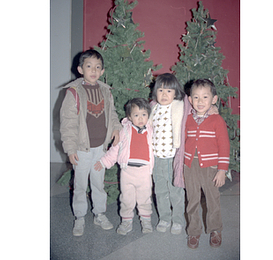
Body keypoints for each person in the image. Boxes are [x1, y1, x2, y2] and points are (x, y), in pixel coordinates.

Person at [60, 49, 122, 236]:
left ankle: (99, 213)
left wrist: (116, 128)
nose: (93, 70)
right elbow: (68, 123)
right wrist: (70, 148)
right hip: (82, 149)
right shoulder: (74, 92)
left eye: (97, 67)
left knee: (98, 183)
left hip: (100, 149)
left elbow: (112, 114)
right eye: (89, 66)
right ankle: (79, 216)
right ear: (80, 69)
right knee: (80, 184)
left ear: (102, 71)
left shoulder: (106, 91)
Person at [94, 98, 154, 235]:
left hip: (144, 171)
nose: (140, 118)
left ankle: (146, 220)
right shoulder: (124, 131)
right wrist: (104, 161)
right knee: (127, 198)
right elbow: (115, 149)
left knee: (145, 198)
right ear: (129, 116)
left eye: (144, 114)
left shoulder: (151, 130)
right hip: (128, 171)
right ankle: (126, 221)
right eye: (136, 115)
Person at [184, 79, 230, 249]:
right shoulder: (187, 119)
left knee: (212, 200)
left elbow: (224, 146)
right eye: (196, 97)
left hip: (211, 167)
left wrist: (221, 170)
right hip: (190, 166)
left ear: (214, 99)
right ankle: (193, 231)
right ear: (190, 100)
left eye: (205, 97)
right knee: (192, 200)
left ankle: (215, 229)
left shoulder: (217, 121)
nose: (200, 101)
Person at [149, 73, 186, 235]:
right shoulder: (152, 107)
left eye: (169, 91)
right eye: (161, 90)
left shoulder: (180, 106)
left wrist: (212, 107)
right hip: (156, 158)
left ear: (176, 93)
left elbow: (197, 106)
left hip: (173, 157)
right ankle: (164, 218)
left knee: (175, 190)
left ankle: (178, 220)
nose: (164, 95)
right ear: (155, 92)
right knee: (160, 190)